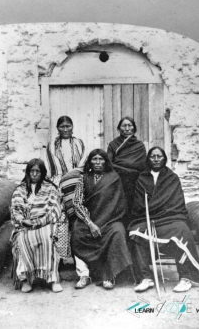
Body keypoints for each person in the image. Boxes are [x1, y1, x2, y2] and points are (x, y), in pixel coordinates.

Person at [128, 147, 199, 293]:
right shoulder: (142, 178)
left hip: (170, 216)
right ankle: (146, 278)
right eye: (153, 156)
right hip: (148, 217)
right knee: (135, 232)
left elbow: (177, 202)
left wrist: (159, 208)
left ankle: (186, 277)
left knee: (182, 230)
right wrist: (150, 209)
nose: (156, 159)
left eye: (159, 156)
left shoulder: (172, 177)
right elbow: (138, 204)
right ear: (148, 159)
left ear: (164, 158)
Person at [71, 149, 132, 289]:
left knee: (118, 232)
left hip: (110, 220)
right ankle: (84, 275)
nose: (98, 162)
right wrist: (90, 223)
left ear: (106, 161)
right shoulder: (83, 178)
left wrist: (106, 220)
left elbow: (118, 203)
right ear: (90, 162)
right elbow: (77, 202)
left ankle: (110, 276)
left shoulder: (114, 177)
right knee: (77, 231)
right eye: (94, 159)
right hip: (90, 219)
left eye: (101, 159)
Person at [43, 115, 90, 289]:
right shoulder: (51, 146)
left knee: (77, 222)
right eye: (61, 126)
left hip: (77, 184)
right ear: (57, 128)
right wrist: (59, 184)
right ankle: (59, 261)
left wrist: (72, 179)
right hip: (58, 186)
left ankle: (83, 269)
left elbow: (83, 164)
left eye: (68, 126)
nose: (65, 129)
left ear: (72, 127)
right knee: (60, 222)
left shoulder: (79, 143)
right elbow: (49, 169)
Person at [11, 158, 63, 293]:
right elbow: (16, 209)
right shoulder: (20, 189)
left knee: (47, 238)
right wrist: (22, 220)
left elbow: (54, 209)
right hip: (26, 224)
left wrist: (39, 222)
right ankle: (26, 279)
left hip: (45, 223)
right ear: (28, 173)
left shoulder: (50, 188)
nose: (34, 174)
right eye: (32, 171)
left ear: (42, 173)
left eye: (37, 172)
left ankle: (52, 279)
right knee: (23, 240)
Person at [107, 116, 146, 228]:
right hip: (117, 180)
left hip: (134, 182)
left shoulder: (139, 146)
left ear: (134, 128)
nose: (127, 128)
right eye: (124, 125)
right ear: (119, 128)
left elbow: (141, 165)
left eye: (130, 125)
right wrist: (125, 169)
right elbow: (108, 163)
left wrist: (121, 166)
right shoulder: (113, 144)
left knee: (133, 209)